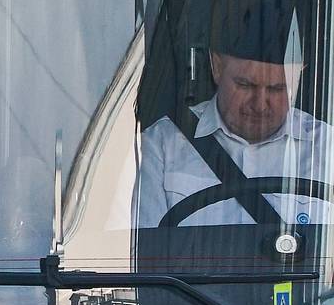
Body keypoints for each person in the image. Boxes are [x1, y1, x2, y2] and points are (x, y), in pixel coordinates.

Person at [137, 17, 332, 230]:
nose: (259, 105)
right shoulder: (162, 145)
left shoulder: (326, 149)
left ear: (298, 76)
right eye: (245, 85)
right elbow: (142, 250)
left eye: (277, 89)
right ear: (217, 67)